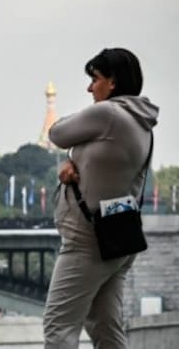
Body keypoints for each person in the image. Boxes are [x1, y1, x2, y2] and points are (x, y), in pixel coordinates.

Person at [43, 48, 159, 348]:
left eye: (95, 79)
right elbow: (105, 165)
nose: (89, 87)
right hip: (118, 236)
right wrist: (73, 162)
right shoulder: (141, 122)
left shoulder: (107, 114)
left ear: (113, 82)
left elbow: (56, 133)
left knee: (59, 328)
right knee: (106, 329)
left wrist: (70, 155)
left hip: (88, 240)